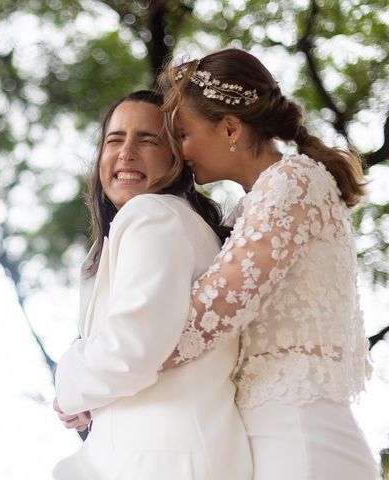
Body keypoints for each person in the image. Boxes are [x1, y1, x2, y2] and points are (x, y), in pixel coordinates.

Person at [157, 48, 379, 479]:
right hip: (273, 434)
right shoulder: (257, 202)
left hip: (300, 439)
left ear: (230, 127)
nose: (180, 150)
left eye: (184, 133)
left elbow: (206, 317)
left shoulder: (291, 183)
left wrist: (105, 372)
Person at [52, 90, 252, 480]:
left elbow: (132, 346)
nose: (126, 152)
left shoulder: (152, 214)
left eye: (147, 139)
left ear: (177, 157)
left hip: (164, 462)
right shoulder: (161, 226)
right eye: (115, 139)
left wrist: (69, 383)